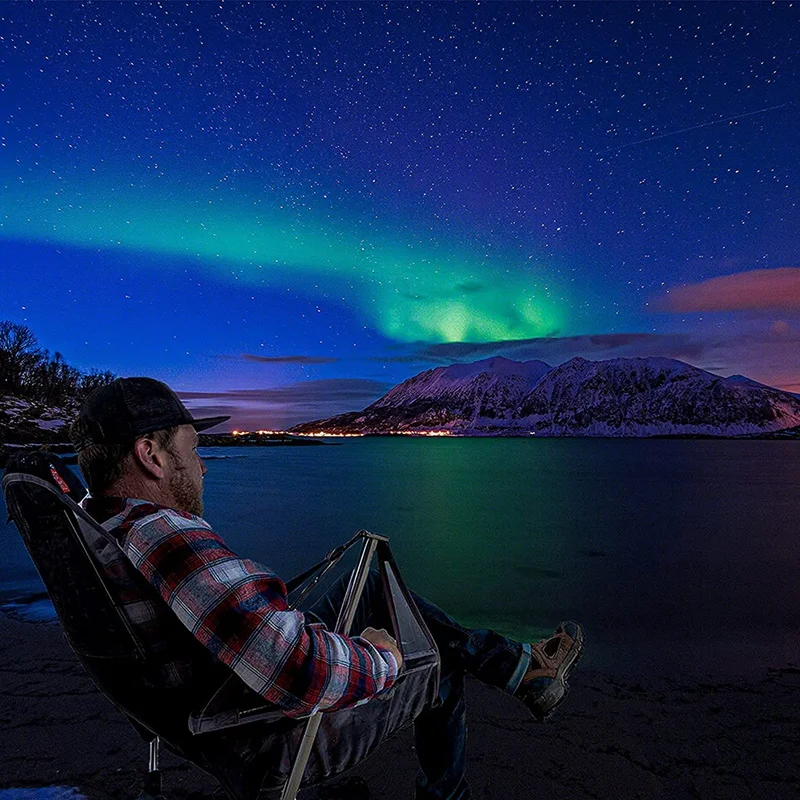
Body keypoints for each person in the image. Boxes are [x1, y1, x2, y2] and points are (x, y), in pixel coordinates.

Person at [69, 377, 584, 800]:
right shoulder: (163, 536)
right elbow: (298, 669)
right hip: (263, 734)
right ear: (151, 455)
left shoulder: (99, 528)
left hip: (209, 700)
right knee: (434, 657)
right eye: (194, 450)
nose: (203, 466)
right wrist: (384, 659)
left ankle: (517, 667)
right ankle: (457, 778)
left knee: (377, 586)